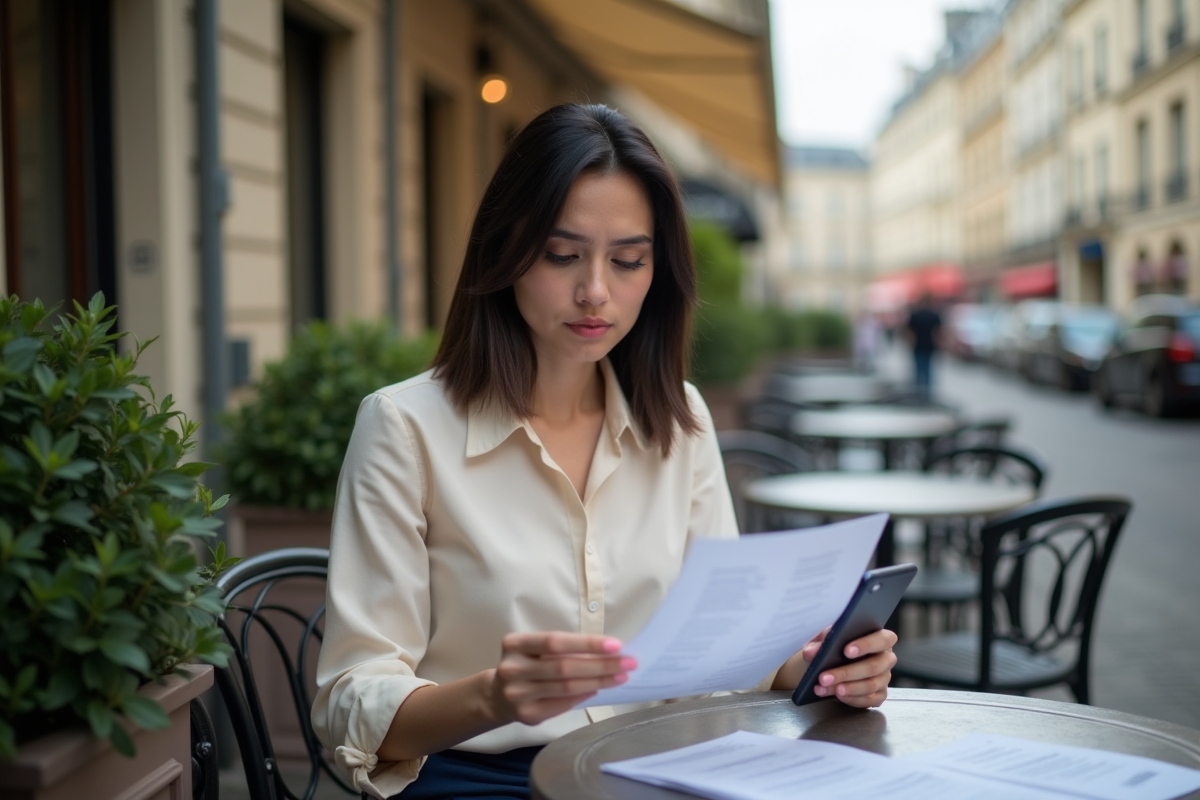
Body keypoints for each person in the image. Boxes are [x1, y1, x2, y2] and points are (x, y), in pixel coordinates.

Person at [311, 103, 898, 800]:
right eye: (563, 256)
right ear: (505, 251)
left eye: (628, 261)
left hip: (657, 766)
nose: (596, 291)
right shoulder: (405, 429)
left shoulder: (680, 420)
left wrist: (814, 664)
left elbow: (723, 646)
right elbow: (351, 703)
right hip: (480, 776)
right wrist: (495, 695)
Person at [905, 293, 943, 400]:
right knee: (928, 370)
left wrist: (911, 342)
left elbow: (908, 332)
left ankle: (918, 393)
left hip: (918, 346)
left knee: (918, 370)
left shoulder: (915, 315)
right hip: (929, 346)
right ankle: (927, 394)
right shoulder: (934, 315)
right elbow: (939, 333)